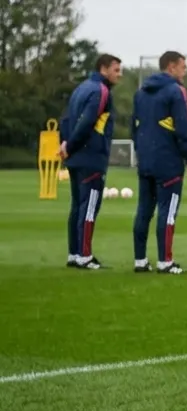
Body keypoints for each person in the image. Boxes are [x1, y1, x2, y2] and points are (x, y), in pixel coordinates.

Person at [132, 51, 187, 275]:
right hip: (168, 162)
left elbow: (135, 128)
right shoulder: (176, 91)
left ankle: (140, 260)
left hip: (145, 161)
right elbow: (183, 128)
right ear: (171, 67)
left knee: (143, 211)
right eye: (183, 67)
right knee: (167, 212)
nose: (185, 71)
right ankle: (165, 262)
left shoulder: (141, 92)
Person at [59, 53, 123, 270]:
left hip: (76, 158)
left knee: (77, 206)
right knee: (89, 207)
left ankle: (74, 254)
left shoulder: (81, 88)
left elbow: (66, 119)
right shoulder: (101, 91)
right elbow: (87, 122)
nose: (119, 75)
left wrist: (65, 144)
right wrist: (69, 146)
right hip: (91, 157)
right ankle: (85, 256)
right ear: (104, 69)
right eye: (116, 70)